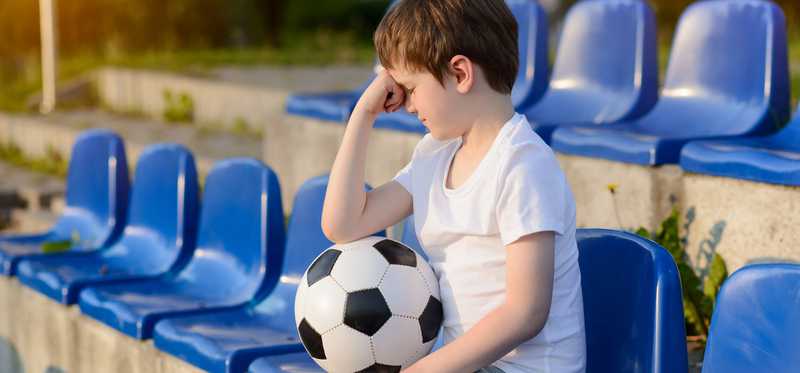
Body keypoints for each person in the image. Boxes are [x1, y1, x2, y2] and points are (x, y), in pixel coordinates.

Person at [321, 0, 585, 371]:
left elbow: (526, 313)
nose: (407, 104)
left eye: (410, 88)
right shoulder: (435, 155)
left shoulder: (523, 165)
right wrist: (363, 116)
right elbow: (343, 226)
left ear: (460, 73)